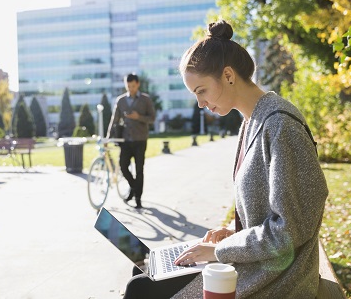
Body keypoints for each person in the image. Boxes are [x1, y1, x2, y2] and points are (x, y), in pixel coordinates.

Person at [122, 20, 328, 298]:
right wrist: (232, 229)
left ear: (228, 75)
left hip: (276, 279)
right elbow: (269, 213)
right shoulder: (251, 122)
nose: (200, 104)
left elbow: (288, 231)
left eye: (201, 91)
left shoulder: (280, 126)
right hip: (256, 265)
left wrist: (219, 251)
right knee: (144, 273)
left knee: (141, 289)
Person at [107, 73, 156, 209]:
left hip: (140, 140)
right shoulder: (121, 100)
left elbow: (152, 118)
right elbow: (114, 120)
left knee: (139, 170)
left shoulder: (145, 100)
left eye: (133, 86)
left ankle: (138, 198)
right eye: (128, 86)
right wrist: (108, 137)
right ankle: (134, 188)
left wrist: (138, 116)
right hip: (126, 140)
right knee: (123, 167)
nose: (131, 89)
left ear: (138, 84)